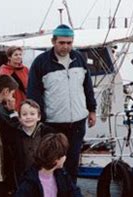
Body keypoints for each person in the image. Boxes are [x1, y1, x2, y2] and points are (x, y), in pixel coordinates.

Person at [27, 24, 97, 182]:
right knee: (52, 164)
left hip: (77, 123)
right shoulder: (40, 63)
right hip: (53, 124)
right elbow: (33, 94)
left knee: (72, 164)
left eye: (69, 43)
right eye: (62, 43)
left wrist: (92, 110)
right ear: (53, 41)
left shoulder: (79, 59)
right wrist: (39, 119)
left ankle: (69, 191)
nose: (66, 46)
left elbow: (87, 87)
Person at [15, 133, 82, 197]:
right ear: (56, 160)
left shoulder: (62, 175)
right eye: (63, 155)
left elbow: (74, 191)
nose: (65, 157)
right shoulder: (29, 183)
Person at [11, 99, 55, 186]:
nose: (28, 117)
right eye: (24, 114)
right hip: (23, 177)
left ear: (38, 117)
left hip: (43, 175)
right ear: (19, 118)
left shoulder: (47, 133)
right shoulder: (15, 135)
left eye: (32, 114)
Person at [0, 75, 20, 195]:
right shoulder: (1, 110)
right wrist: (13, 111)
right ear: (5, 91)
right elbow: (15, 128)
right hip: (4, 153)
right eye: (11, 94)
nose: (12, 97)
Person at [0, 46, 29, 111]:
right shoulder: (4, 71)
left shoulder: (25, 69)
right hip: (11, 104)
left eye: (20, 54)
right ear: (9, 57)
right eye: (16, 55)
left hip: (25, 102)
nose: (19, 56)